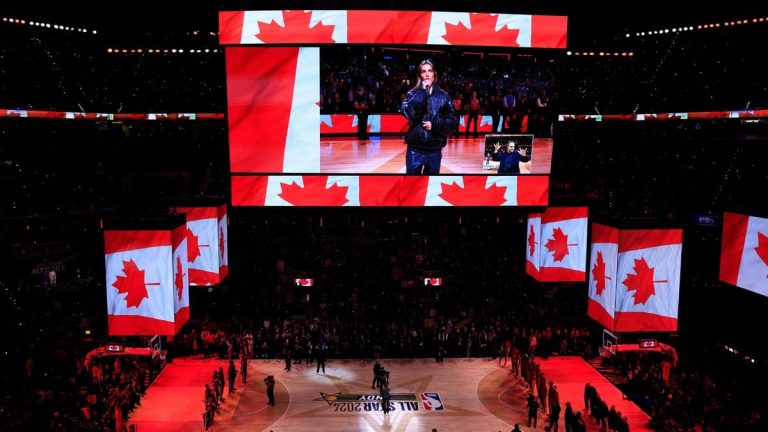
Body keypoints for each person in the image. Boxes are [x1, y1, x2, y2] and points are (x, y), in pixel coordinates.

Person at [400, 60, 458, 174]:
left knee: (430, 187)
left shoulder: (444, 96)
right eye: (423, 71)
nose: (427, 74)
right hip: (415, 150)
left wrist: (435, 124)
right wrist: (422, 92)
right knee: (412, 186)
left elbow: (453, 123)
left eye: (430, 71)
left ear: (434, 74)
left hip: (434, 150)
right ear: (420, 75)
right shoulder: (412, 94)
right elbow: (407, 112)